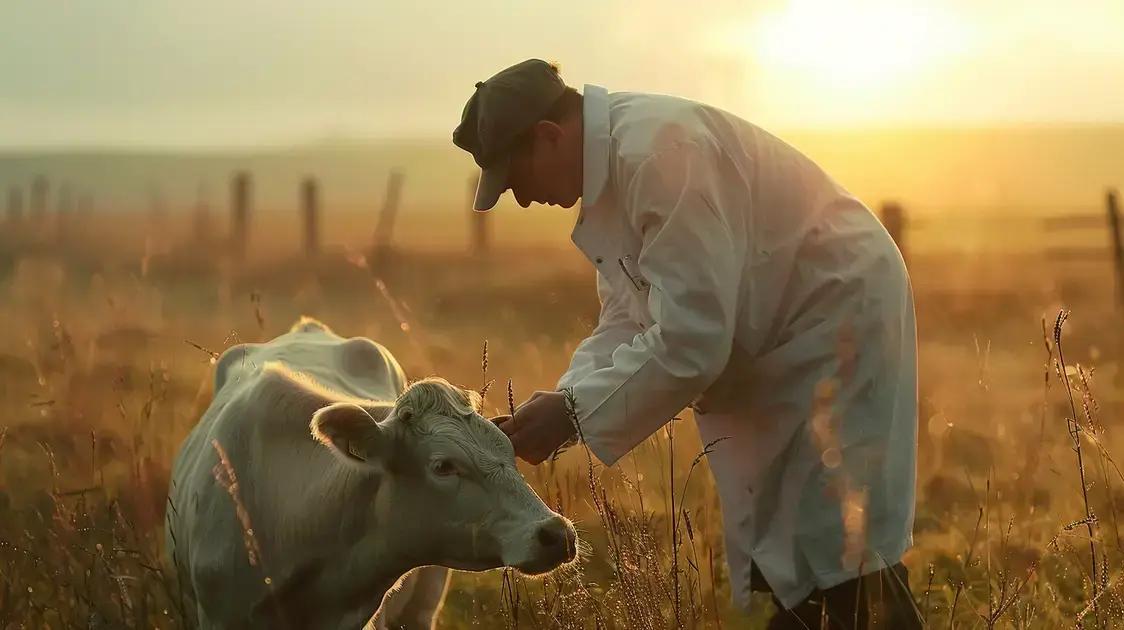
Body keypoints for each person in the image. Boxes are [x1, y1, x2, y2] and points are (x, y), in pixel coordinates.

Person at [452, 58, 921, 628]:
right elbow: (630, 317)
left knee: (841, 544)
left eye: (517, 179)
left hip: (835, 316)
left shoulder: (660, 155)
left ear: (549, 136)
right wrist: (563, 399)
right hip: (779, 333)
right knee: (792, 547)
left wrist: (572, 412)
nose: (523, 200)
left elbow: (692, 336)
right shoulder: (614, 180)